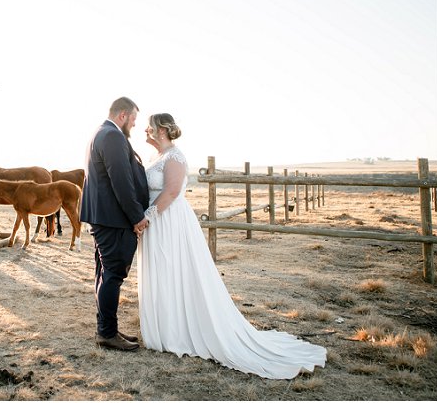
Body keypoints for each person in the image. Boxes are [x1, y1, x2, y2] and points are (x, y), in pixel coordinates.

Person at [137, 113, 327, 379]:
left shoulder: (175, 157)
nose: (145, 130)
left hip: (170, 221)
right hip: (158, 220)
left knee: (175, 269)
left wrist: (147, 217)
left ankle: (180, 329)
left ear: (162, 130)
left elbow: (170, 192)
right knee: (163, 272)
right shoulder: (154, 158)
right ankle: (166, 325)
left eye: (150, 126)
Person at [80, 97, 150, 351]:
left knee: (105, 274)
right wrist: (137, 216)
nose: (133, 124)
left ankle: (106, 329)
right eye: (133, 119)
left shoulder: (101, 133)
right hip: (113, 220)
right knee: (112, 275)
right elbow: (121, 181)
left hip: (104, 218)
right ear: (122, 115)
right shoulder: (112, 136)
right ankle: (107, 333)